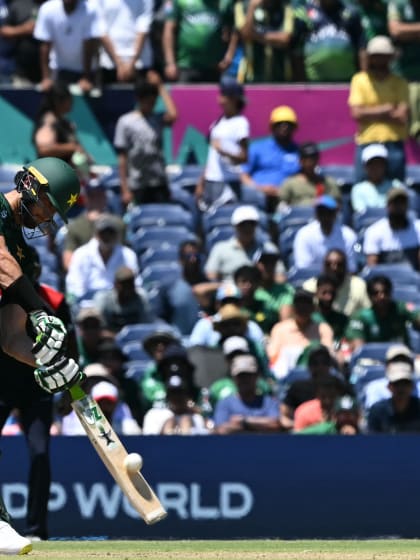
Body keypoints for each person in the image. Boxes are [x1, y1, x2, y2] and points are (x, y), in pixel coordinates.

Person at [0, 156, 83, 554]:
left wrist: (50, 361)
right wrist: (39, 309)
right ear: (34, 188)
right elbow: (3, 267)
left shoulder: (21, 247)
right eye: (50, 206)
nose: (47, 218)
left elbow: (11, 337)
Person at [348, 35, 409, 182]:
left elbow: (402, 117)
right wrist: (386, 109)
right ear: (370, 58)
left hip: (393, 145)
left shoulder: (400, 82)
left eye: (383, 56)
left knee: (396, 191)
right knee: (361, 189)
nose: (379, 60)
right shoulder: (359, 80)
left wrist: (368, 112)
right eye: (376, 56)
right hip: (367, 142)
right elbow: (356, 113)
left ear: (390, 57)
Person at [114, 72, 177, 207]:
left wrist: (160, 86)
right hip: (137, 183)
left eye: (154, 102)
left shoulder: (157, 119)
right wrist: (124, 188)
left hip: (159, 182)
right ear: (139, 99)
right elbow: (122, 157)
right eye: (148, 102)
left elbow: (173, 115)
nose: (151, 105)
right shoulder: (126, 122)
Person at [195, 78, 249, 212]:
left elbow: (244, 157)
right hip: (211, 180)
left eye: (224, 95)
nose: (220, 98)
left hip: (228, 182)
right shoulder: (218, 123)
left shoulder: (241, 123)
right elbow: (211, 157)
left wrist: (223, 150)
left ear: (234, 99)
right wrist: (201, 182)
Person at [65, 213, 139, 307]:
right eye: (103, 232)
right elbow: (75, 288)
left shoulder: (128, 255)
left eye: (110, 232)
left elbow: (135, 285)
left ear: (117, 235)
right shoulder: (81, 255)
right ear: (96, 234)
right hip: (88, 306)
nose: (107, 237)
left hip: (120, 305)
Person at [33, 0, 105, 93]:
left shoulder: (91, 9)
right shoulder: (47, 9)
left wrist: (86, 78)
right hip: (59, 70)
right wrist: (46, 78)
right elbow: (45, 45)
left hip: (89, 72)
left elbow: (90, 45)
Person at [240, 105, 300, 211]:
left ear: (294, 127)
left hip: (288, 202)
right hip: (259, 201)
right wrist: (260, 189)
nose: (284, 127)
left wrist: (286, 191)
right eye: (279, 124)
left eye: (288, 124)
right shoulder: (257, 148)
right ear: (272, 127)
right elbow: (243, 176)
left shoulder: (299, 152)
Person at [267, 289, 334, 380]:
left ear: (313, 307)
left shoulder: (323, 329)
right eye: (299, 304)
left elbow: (328, 354)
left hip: (316, 376)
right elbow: (273, 356)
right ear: (293, 307)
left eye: (306, 304)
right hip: (286, 376)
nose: (302, 308)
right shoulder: (280, 328)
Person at [162, 0, 235, 83]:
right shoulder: (180, 1)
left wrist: (229, 55)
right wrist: (170, 63)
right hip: (185, 65)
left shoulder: (224, 3)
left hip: (214, 67)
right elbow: (169, 30)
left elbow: (233, 30)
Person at [293, 0, 366, 83]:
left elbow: (361, 48)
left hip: (347, 82)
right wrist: (302, 84)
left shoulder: (352, 12)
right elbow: (296, 52)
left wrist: (363, 80)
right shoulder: (304, 12)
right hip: (313, 83)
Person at [345, 275, 420, 351]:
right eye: (376, 293)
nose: (381, 296)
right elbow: (358, 348)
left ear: (390, 293)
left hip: (400, 355)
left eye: (385, 292)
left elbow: (417, 316)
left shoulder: (401, 309)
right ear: (369, 296)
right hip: (372, 358)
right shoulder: (361, 316)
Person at [213, 354, 281, 434]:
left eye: (248, 375)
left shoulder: (269, 402)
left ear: (256, 376)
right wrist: (260, 425)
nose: (244, 380)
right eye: (240, 376)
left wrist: (244, 421)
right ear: (234, 378)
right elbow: (221, 430)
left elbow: (275, 424)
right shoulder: (224, 404)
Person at [32, 80, 91, 171]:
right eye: (69, 98)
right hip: (51, 176)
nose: (72, 102)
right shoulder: (49, 121)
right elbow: (44, 149)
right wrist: (72, 147)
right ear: (58, 101)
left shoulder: (63, 121)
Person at [280, 344, 340, 430]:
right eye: (315, 363)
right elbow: (284, 417)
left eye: (325, 362)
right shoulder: (298, 387)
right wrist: (304, 426)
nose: (320, 367)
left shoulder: (339, 385)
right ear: (309, 366)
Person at [235, 0, 297, 83]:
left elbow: (285, 39)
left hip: (279, 75)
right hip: (250, 76)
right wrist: (252, 7)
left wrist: (256, 35)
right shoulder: (242, 6)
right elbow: (245, 34)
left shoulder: (285, 6)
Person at [292, 195, 358, 273]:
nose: (325, 215)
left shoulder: (349, 235)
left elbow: (351, 268)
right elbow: (303, 268)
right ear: (316, 213)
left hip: (341, 280)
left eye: (328, 212)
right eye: (321, 211)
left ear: (335, 213)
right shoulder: (304, 234)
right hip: (313, 281)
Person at [363, 187, 420, 270]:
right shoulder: (374, 231)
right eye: (395, 203)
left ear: (407, 205)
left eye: (402, 202)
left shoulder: (418, 228)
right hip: (386, 281)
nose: (399, 207)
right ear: (387, 205)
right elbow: (372, 268)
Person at [98, 0, 153, 86]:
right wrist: (119, 63)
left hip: (139, 64)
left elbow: (143, 28)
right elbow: (100, 28)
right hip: (109, 64)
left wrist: (132, 63)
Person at [303, 249, 370, 316]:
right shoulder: (308, 286)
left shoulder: (358, 285)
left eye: (339, 264)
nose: (334, 268)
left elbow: (367, 312)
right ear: (323, 266)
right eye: (329, 264)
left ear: (345, 266)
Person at [204, 205, 262, 281]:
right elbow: (211, 275)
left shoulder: (266, 249)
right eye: (242, 225)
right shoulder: (220, 249)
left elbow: (280, 277)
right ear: (235, 226)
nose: (247, 228)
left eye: (251, 224)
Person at [278, 142, 341, 209]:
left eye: (313, 158)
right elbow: (281, 207)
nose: (310, 162)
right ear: (300, 161)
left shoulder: (328, 182)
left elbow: (337, 206)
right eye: (307, 159)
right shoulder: (289, 183)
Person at [93, 266, 155, 333]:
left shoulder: (141, 297)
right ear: (115, 284)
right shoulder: (104, 299)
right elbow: (100, 330)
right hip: (112, 339)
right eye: (124, 284)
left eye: (130, 283)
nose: (128, 288)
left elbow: (146, 326)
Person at [142, 374, 209, 435]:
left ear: (186, 395)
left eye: (180, 392)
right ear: (167, 395)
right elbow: (149, 440)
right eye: (173, 393)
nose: (177, 397)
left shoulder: (196, 417)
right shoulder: (154, 414)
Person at [351, 143, 405, 214]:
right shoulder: (357, 189)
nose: (375, 167)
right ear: (365, 167)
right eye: (372, 164)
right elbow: (362, 215)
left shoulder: (397, 186)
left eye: (379, 163)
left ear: (385, 165)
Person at [367, 361, 420, 433]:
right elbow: (372, 440)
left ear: (412, 386)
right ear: (389, 386)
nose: (401, 388)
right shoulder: (377, 411)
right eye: (397, 384)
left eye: (405, 383)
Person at [0, 0, 42, 85]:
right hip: (20, 70)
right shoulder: (18, 5)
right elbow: (4, 31)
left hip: (48, 72)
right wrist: (24, 29)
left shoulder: (53, 5)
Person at [253, 241, 294, 321]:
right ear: (256, 265)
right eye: (264, 262)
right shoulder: (250, 290)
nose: (268, 266)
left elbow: (285, 321)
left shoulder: (286, 290)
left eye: (272, 262)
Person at [233, 264, 278, 335]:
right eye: (244, 281)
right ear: (236, 283)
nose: (248, 285)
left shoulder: (264, 307)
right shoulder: (232, 307)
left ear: (257, 284)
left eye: (251, 281)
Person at [312, 274, 349, 344]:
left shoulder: (342, 319)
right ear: (316, 293)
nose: (328, 297)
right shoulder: (309, 318)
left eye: (331, 293)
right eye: (324, 293)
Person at [296, 394, 361, 434]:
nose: (347, 418)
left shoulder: (364, 432)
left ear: (358, 416)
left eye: (351, 414)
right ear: (334, 416)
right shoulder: (323, 431)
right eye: (342, 414)